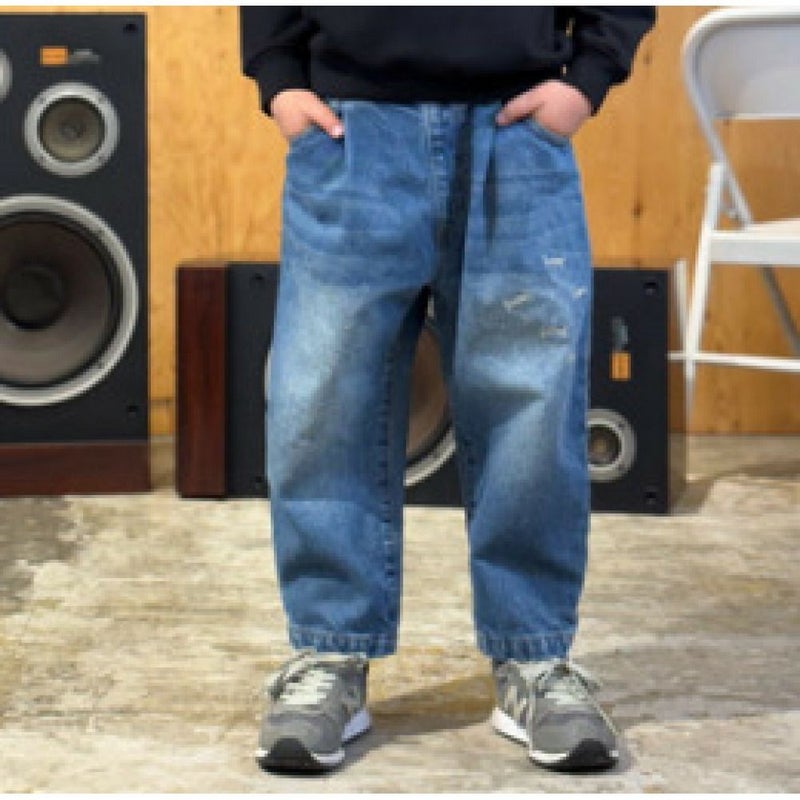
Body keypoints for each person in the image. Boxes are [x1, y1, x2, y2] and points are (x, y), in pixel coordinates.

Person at [240, 6, 655, 775]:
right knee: (322, 400)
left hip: (518, 129)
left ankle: (533, 657)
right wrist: (278, 78)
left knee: (532, 407)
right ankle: (329, 652)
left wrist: (588, 78)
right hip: (349, 131)